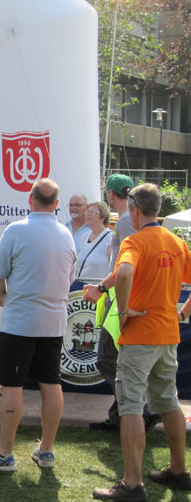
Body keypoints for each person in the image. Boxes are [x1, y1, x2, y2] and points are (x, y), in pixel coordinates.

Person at [92, 183, 191, 501]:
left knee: (131, 407)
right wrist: (183, 313)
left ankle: (132, 484)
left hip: (139, 337)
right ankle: (178, 470)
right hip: (168, 335)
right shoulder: (176, 242)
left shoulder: (134, 241)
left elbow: (123, 274)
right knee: (169, 402)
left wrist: (123, 312)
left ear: (134, 210)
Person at [0, 178, 76, 472]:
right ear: (57, 204)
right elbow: (70, 277)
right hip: (53, 323)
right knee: (51, 383)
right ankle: (46, 451)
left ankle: (5, 453)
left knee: (12, 385)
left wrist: (3, 299)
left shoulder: (16, 230)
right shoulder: (66, 235)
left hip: (21, 322)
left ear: (30, 199)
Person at [84, 174, 160, 432]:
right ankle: (122, 414)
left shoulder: (127, 221)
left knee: (108, 358)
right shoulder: (129, 219)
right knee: (115, 359)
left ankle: (142, 409)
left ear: (110, 194)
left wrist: (102, 287)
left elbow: (128, 268)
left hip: (122, 299)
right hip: (124, 297)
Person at [76, 201, 112, 280]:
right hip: (80, 285)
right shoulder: (84, 236)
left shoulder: (110, 238)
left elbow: (114, 267)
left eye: (92, 212)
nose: (88, 214)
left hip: (97, 285)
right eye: (87, 212)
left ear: (103, 217)